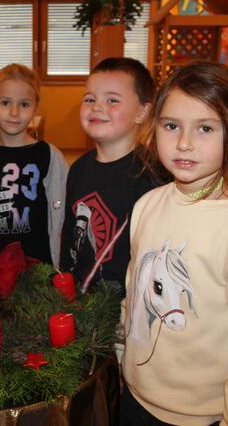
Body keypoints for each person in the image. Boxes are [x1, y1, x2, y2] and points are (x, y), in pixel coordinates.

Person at [121, 62, 228, 426]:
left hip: (199, 418)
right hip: (134, 396)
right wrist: (124, 353)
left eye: (205, 128)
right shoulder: (146, 206)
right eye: (171, 126)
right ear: (154, 128)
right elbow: (135, 293)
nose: (184, 142)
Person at [60, 58, 159, 295]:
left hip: (126, 308)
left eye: (112, 100)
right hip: (79, 299)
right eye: (90, 99)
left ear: (142, 112)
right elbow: (69, 235)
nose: (97, 106)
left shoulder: (152, 176)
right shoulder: (78, 168)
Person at [0, 63, 68, 266]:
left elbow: (62, 212)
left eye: (24, 104)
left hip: (36, 267)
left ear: (35, 107)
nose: (14, 112)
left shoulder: (49, 155)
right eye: (5, 103)